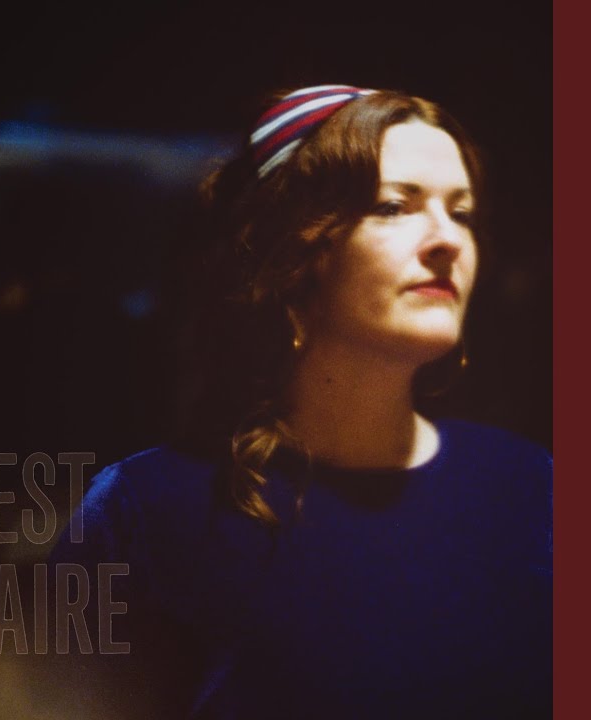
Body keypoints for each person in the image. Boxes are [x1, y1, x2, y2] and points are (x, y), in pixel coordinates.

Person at [45, 84, 552, 718]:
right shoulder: (142, 512)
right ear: (295, 251)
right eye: (395, 206)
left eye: (462, 213)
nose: (447, 239)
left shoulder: (533, 490)